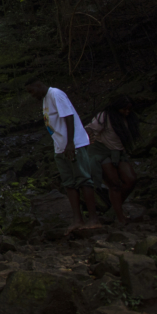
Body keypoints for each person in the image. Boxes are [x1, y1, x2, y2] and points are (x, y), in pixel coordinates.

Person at [25, 79, 101, 232]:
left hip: (74, 145)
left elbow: (69, 116)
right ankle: (77, 219)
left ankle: (93, 219)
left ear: (38, 85)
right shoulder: (45, 99)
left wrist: (71, 143)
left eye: (31, 91)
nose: (31, 95)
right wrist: (60, 147)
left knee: (84, 179)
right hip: (61, 148)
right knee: (69, 183)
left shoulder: (56, 94)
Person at [86, 95, 140, 225]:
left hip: (118, 152)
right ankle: (120, 217)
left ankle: (115, 207)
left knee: (130, 179)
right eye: (124, 109)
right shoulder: (104, 117)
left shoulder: (128, 119)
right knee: (114, 184)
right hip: (101, 151)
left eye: (129, 110)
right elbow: (90, 128)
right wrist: (87, 137)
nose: (127, 112)